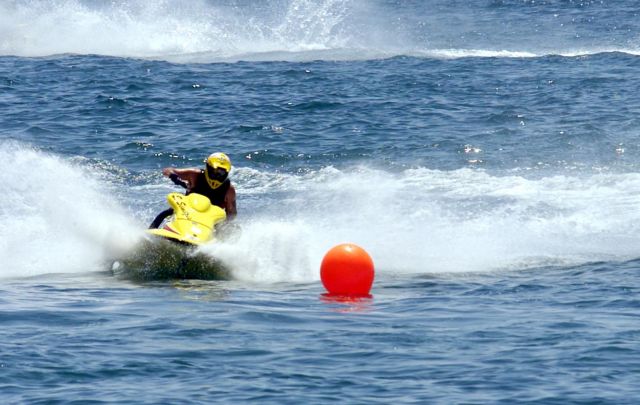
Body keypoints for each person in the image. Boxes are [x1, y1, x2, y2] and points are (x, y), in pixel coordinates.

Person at [149, 152, 237, 229]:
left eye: (221, 173)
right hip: (187, 212)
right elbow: (168, 170)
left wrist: (223, 225)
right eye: (215, 171)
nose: (217, 175)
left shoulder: (229, 189)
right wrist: (174, 176)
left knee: (233, 228)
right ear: (209, 167)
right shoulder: (195, 175)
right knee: (167, 213)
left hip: (210, 220)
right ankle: (150, 232)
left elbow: (232, 214)